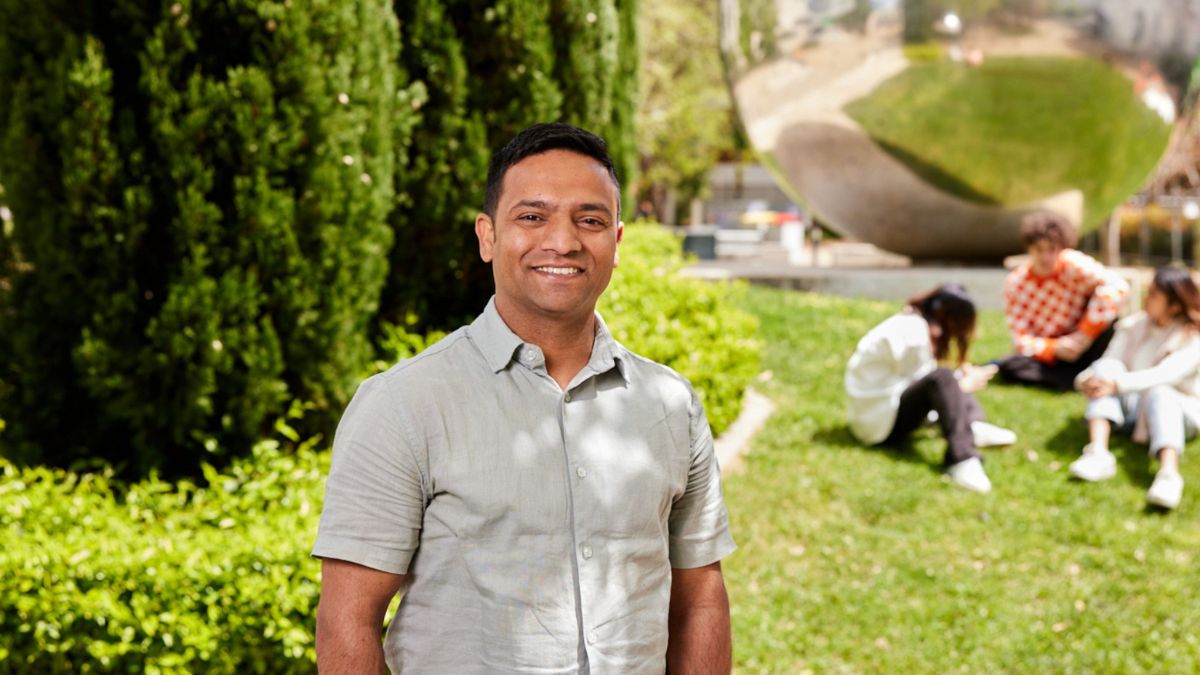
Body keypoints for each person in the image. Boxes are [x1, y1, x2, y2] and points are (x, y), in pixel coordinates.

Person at [312, 123, 736, 673]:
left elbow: (699, 597)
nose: (562, 241)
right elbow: (347, 619)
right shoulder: (403, 405)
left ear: (616, 241)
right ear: (487, 236)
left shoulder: (670, 406)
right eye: (532, 217)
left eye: (590, 220)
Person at [845, 284, 1017, 494]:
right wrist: (960, 384)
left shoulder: (913, 325)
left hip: (883, 410)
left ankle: (973, 426)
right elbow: (929, 384)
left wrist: (960, 381)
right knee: (945, 379)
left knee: (951, 378)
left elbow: (917, 380)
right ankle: (961, 458)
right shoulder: (913, 332)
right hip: (878, 422)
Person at [1069, 267, 1200, 510]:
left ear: (1174, 305)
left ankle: (1168, 475)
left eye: (1153, 294)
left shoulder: (1192, 338)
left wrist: (1116, 384)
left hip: (1178, 412)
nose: (1145, 298)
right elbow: (1108, 360)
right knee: (1108, 366)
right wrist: (1086, 380)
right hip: (1131, 405)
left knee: (1162, 391)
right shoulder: (1134, 325)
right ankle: (1098, 452)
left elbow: (1164, 375)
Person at [994, 211, 1129, 390]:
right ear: (1029, 249)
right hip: (1053, 354)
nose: (1046, 257)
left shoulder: (1074, 264)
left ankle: (1073, 378)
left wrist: (1084, 334)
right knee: (1012, 364)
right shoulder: (1015, 283)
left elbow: (1117, 287)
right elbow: (1020, 339)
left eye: (1052, 249)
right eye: (1039, 249)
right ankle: (1078, 379)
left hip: (1086, 342)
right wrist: (1055, 348)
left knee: (1112, 325)